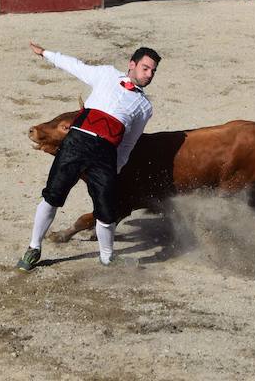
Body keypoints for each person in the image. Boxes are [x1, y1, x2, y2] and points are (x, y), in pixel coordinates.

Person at [17, 42, 160, 271]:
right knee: (53, 196)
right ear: (132, 64)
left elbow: (129, 142)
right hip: (77, 142)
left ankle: (107, 257)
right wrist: (47, 53)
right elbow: (75, 66)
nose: (149, 74)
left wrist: (117, 166)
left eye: (153, 71)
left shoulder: (144, 107)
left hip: (106, 153)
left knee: (106, 209)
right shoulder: (106, 75)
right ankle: (34, 248)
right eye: (145, 68)